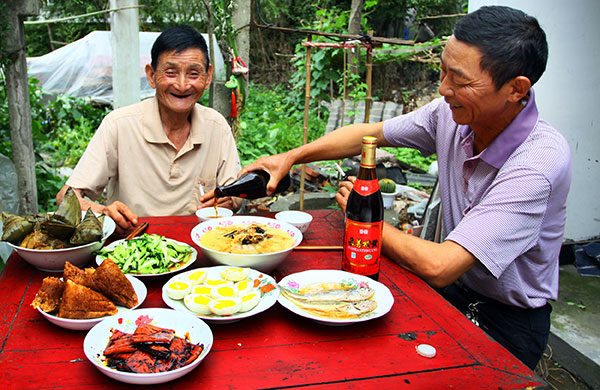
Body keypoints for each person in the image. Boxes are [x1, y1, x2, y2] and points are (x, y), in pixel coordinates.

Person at [238, 6, 572, 370]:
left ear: (516, 89)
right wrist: (291, 156)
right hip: (450, 297)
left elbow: (441, 264)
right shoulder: (451, 115)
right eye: (443, 70)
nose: (443, 89)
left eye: (459, 80)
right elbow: (369, 135)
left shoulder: (537, 163)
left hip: (506, 322)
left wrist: (365, 217)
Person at [56, 25, 243, 236]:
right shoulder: (119, 125)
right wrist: (103, 212)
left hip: (202, 248)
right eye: (170, 73)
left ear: (208, 77)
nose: (182, 85)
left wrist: (230, 200)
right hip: (133, 249)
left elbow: (236, 193)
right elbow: (65, 197)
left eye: (193, 73)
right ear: (151, 75)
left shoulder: (216, 126)